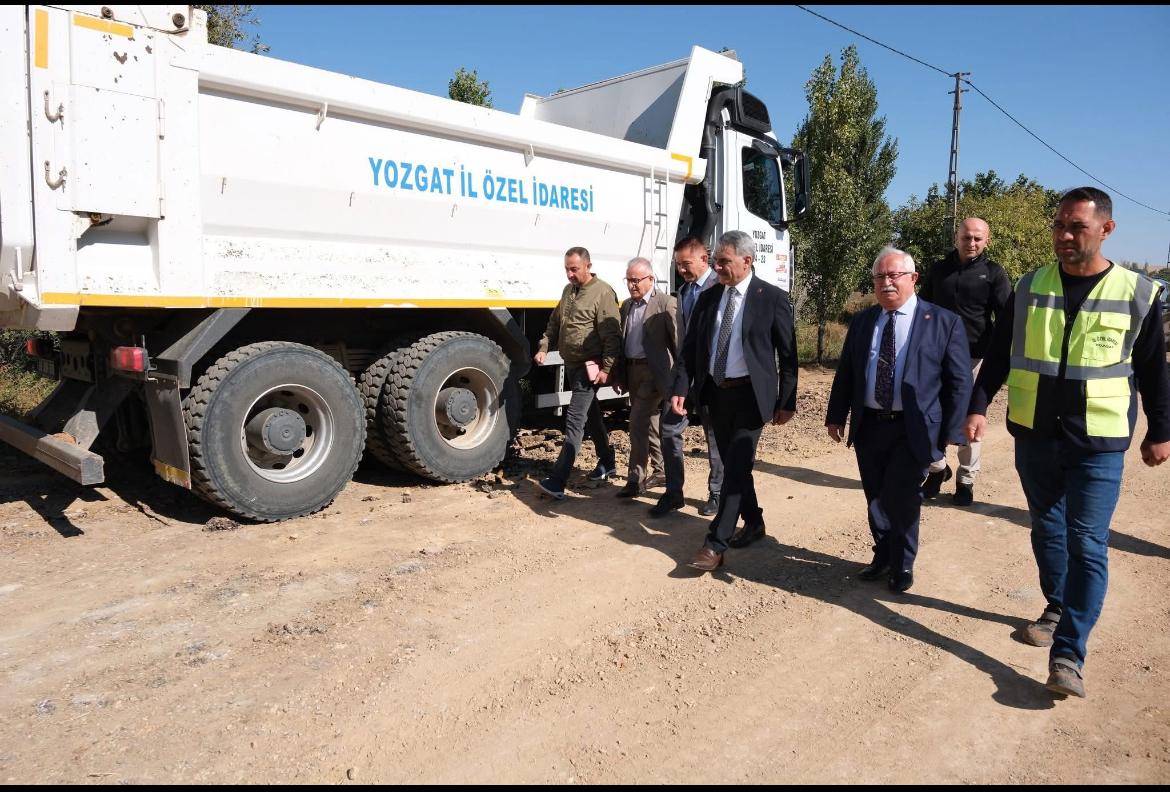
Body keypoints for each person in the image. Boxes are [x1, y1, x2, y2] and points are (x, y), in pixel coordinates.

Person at [966, 187, 1170, 698]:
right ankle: (1056, 605)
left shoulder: (1137, 292)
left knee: (1087, 542)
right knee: (1046, 530)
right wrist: (976, 404)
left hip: (1098, 442)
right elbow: (1000, 353)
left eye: (1075, 226)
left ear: (1106, 229)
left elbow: (1153, 371)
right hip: (1035, 434)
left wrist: (1160, 430)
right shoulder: (1032, 285)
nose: (1063, 236)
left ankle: (1068, 655)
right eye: (1058, 225)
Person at [826, 247, 972, 593]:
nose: (886, 283)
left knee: (901, 497)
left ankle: (902, 563)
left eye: (894, 276)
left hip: (915, 428)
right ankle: (883, 555)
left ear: (913, 279)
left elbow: (959, 380)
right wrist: (836, 415)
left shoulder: (942, 321)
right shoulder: (864, 322)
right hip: (871, 424)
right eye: (879, 277)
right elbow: (846, 371)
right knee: (875, 495)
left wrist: (952, 431)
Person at [669, 230, 798, 571]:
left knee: (735, 467)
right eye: (716, 262)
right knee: (735, 466)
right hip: (715, 393)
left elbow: (788, 355)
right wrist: (681, 387)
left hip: (752, 397)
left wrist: (786, 401)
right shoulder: (711, 298)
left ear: (747, 260)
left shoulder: (771, 298)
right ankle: (753, 522)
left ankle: (716, 542)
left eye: (724, 262)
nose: (718, 268)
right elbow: (691, 349)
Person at [918, 217, 1012, 506]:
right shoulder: (939, 270)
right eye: (966, 237)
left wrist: (1002, 355)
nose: (971, 243)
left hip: (975, 357)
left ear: (987, 240)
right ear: (956, 238)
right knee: (930, 413)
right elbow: (922, 308)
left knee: (970, 419)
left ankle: (966, 480)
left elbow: (1006, 318)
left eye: (977, 238)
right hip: (936, 355)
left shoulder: (994, 273)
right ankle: (936, 468)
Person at [534, 246, 623, 500]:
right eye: (567, 269)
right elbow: (554, 322)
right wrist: (544, 347)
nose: (570, 274)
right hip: (572, 365)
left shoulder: (602, 292)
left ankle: (558, 480)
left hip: (589, 368)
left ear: (588, 266)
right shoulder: (568, 292)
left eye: (574, 269)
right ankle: (607, 460)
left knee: (575, 420)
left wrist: (607, 369)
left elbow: (612, 335)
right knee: (591, 414)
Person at [653, 236, 725, 518]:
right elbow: (684, 340)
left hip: (712, 377)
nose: (681, 270)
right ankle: (674, 493)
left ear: (704, 260)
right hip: (685, 376)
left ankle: (717, 493)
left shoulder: (720, 287)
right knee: (669, 429)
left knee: (714, 435)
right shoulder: (683, 292)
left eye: (686, 264)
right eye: (678, 265)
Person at [613, 257, 677, 499]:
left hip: (654, 373)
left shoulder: (665, 303)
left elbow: (677, 341)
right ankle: (661, 470)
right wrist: (620, 374)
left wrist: (681, 378)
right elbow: (622, 342)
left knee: (637, 423)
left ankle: (635, 479)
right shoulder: (627, 306)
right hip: (632, 371)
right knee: (651, 423)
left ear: (651, 279)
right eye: (628, 280)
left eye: (636, 280)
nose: (631, 285)